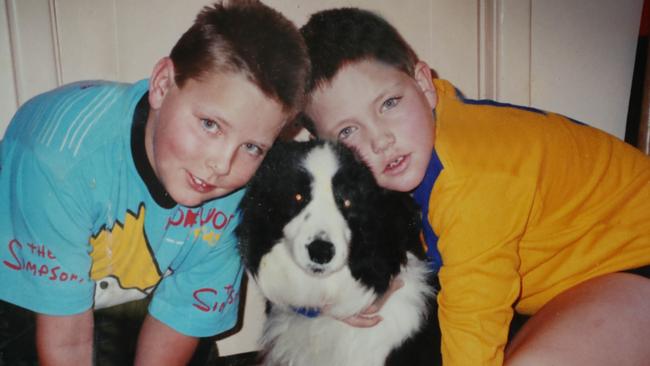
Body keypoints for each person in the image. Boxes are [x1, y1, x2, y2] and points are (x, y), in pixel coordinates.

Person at [299, 7, 650, 365]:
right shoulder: (405, 147)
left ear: (423, 84)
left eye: (389, 104)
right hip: (568, 278)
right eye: (348, 131)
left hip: (636, 260)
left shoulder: (470, 178)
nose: (380, 139)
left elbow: (474, 315)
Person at [0, 1, 309, 365]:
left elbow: (179, 323)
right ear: (162, 85)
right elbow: (66, 343)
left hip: (131, 280)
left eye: (253, 147)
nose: (221, 166)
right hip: (26, 277)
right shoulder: (59, 162)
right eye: (210, 124)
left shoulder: (236, 190)